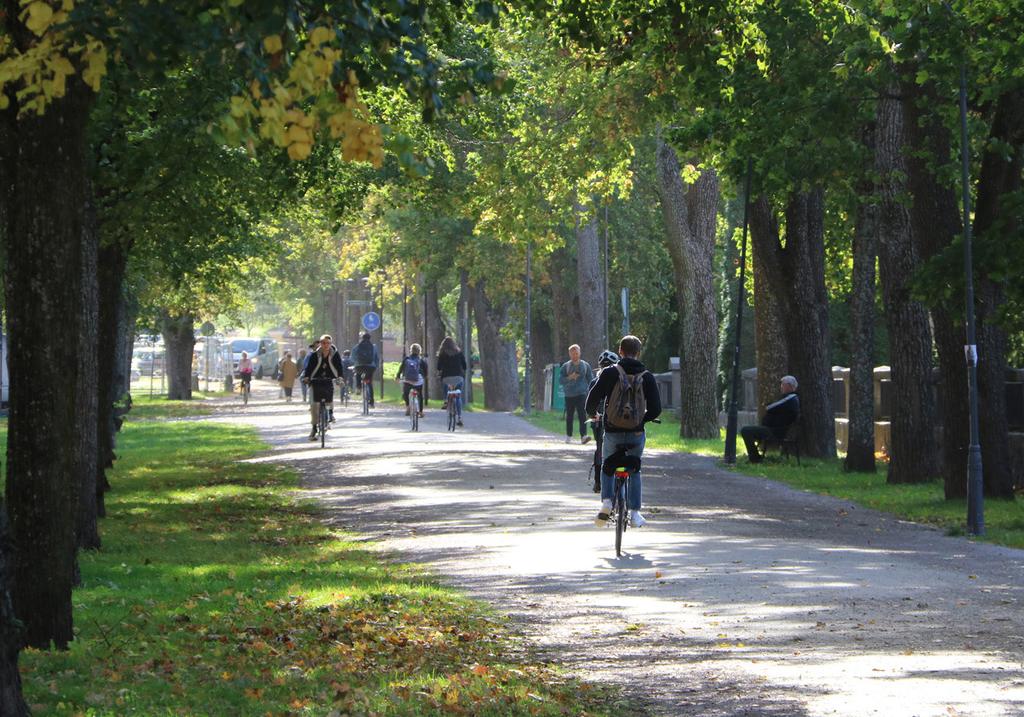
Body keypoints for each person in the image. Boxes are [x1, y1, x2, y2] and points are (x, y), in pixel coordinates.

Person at [585, 335, 662, 528]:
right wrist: (641, 419)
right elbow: (656, 409)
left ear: (620, 351)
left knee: (607, 465)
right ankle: (635, 513)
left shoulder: (610, 373)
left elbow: (592, 399)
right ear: (638, 352)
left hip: (612, 431)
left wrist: (594, 414)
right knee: (634, 468)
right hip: (636, 433)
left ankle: (607, 502)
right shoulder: (647, 376)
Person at [740, 375, 800, 463]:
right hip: (775, 429)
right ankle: (755, 457)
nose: (781, 387)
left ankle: (755, 458)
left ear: (789, 386)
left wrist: (770, 408)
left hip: (775, 431)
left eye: (783, 385)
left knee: (745, 430)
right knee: (748, 430)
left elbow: (770, 407)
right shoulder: (790, 399)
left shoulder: (790, 398)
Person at [587, 349, 621, 492]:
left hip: (599, 420)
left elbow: (590, 402)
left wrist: (593, 415)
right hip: (618, 419)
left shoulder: (595, 381)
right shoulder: (621, 379)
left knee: (600, 449)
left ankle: (598, 483)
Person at [300, 334, 344, 440]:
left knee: (329, 400)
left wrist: (340, 378)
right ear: (320, 343)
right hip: (315, 380)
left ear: (331, 344)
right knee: (314, 405)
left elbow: (339, 367)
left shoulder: (335, 355)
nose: (326, 345)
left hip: (328, 379)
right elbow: (309, 367)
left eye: (328, 343)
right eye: (323, 343)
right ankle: (314, 428)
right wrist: (307, 377)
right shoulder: (315, 355)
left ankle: (330, 414)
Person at [560, 344, 595, 444]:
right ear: (569, 354)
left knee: (582, 415)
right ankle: (568, 436)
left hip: (581, 394)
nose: (575, 355)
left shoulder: (585, 365)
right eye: (572, 353)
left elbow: (590, 379)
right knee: (569, 416)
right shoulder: (565, 366)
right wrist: (569, 378)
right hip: (569, 394)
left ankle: (583, 436)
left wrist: (592, 392)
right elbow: (560, 380)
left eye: (576, 353)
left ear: (580, 353)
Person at [437, 336, 468, 427]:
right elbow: (465, 366)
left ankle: (446, 400)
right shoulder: (459, 353)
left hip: (446, 378)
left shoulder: (442, 354)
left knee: (444, 383)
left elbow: (438, 367)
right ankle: (459, 417)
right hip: (459, 378)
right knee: (458, 396)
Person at [396, 343, 428, 416]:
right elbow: (425, 370)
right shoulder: (421, 361)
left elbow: (401, 368)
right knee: (420, 394)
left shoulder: (407, 359)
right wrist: (425, 377)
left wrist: (398, 376)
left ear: (411, 351)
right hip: (418, 380)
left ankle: (408, 406)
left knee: (405, 393)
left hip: (408, 379)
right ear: (419, 351)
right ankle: (420, 411)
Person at [350, 332, 380, 407]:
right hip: (370, 367)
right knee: (369, 383)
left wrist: (355, 363)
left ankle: (358, 387)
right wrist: (375, 366)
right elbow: (377, 358)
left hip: (359, 366)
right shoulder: (374, 347)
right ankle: (372, 402)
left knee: (357, 373)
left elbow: (352, 357)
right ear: (370, 338)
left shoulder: (357, 346)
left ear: (362, 338)